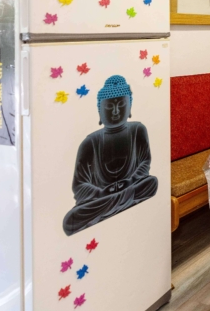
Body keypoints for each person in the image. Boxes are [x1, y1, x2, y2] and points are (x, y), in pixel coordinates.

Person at [63, 75, 158, 236]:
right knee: (70, 221)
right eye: (109, 106)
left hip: (131, 187)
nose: (115, 111)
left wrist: (131, 180)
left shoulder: (137, 130)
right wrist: (101, 193)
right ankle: (117, 205)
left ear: (130, 108)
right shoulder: (90, 143)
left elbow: (145, 162)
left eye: (121, 105)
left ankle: (110, 209)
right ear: (99, 111)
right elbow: (79, 185)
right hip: (102, 198)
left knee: (151, 183)